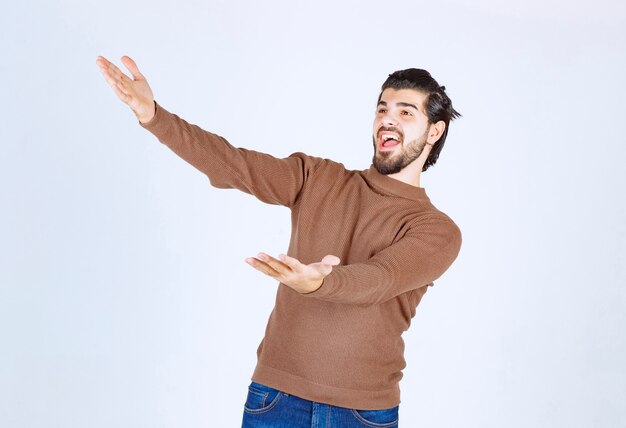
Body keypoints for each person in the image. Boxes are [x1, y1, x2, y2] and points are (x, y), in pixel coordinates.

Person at [96, 55, 463, 428]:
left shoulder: (437, 230)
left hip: (362, 415)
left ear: (434, 132)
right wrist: (154, 116)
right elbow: (233, 164)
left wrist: (320, 282)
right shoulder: (319, 177)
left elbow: (379, 279)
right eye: (382, 108)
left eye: (405, 113)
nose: (387, 118)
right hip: (275, 401)